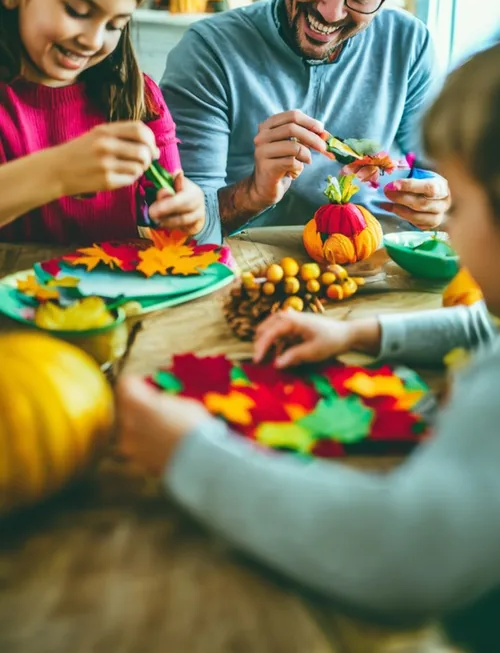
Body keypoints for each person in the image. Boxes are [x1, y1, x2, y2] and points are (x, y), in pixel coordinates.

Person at [118, 41, 500, 648]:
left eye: (463, 203)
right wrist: (358, 332)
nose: (447, 222)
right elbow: (486, 332)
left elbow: (405, 552)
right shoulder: (215, 54)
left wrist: (189, 452)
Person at [161, 0, 450, 243]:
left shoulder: (412, 44)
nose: (331, 12)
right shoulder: (209, 51)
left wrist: (439, 200)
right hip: (250, 272)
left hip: (377, 267)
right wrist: (253, 194)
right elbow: (180, 232)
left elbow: (439, 174)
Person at [0, 0, 205, 244]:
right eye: (77, 12)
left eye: (114, 25)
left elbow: (171, 220)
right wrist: (59, 172)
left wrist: (189, 211)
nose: (94, 41)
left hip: (115, 298)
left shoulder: (139, 99)